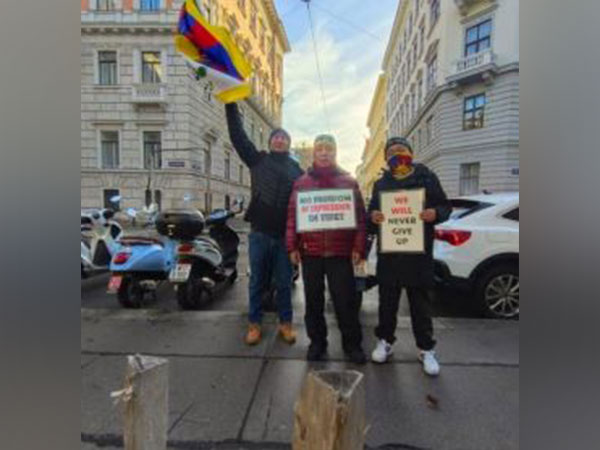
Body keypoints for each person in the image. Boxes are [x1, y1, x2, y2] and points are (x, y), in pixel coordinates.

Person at [368, 136, 451, 375]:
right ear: (386, 158)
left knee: (421, 306)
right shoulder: (381, 184)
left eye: (401, 149)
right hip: (390, 255)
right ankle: (385, 342)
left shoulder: (426, 176)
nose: (397, 153)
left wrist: (435, 213)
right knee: (387, 304)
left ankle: (425, 349)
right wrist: (374, 217)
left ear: (411, 153)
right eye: (392, 151)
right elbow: (372, 213)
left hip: (418, 254)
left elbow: (445, 206)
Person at [225, 102, 303, 346]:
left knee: (284, 283)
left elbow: (309, 201)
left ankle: (286, 324)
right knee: (257, 281)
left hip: (284, 238)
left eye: (284, 138)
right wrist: (231, 105)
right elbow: (238, 136)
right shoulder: (257, 159)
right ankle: (254, 324)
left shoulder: (297, 170)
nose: (279, 140)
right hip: (259, 234)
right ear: (270, 142)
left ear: (288, 144)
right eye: (276, 137)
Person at [286, 134, 367, 364]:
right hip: (310, 253)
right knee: (313, 303)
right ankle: (317, 343)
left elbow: (360, 219)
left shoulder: (348, 182)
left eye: (329, 149)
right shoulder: (301, 182)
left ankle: (352, 345)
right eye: (320, 149)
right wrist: (292, 245)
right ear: (314, 153)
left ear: (335, 153)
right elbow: (292, 217)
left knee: (346, 302)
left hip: (340, 254)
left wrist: (358, 247)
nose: (324, 153)